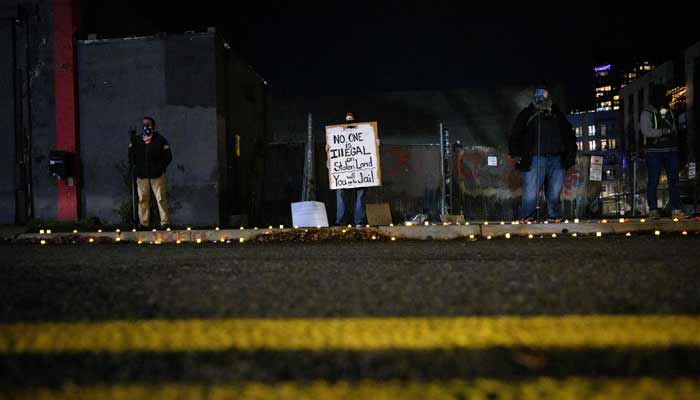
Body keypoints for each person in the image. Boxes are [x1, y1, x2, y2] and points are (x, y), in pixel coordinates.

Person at [508, 84, 577, 222]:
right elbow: (515, 133)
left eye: (543, 96)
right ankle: (527, 216)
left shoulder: (557, 115)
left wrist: (570, 156)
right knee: (531, 191)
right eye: (538, 96)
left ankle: (553, 215)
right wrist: (517, 154)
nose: (541, 99)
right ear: (535, 98)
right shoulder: (528, 114)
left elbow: (569, 134)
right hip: (535, 158)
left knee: (554, 191)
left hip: (557, 158)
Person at [640, 84, 689, 219]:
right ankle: (654, 210)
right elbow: (646, 131)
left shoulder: (668, 111)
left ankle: (676, 209)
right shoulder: (647, 112)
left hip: (669, 150)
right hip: (655, 151)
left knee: (673, 181)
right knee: (654, 181)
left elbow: (674, 130)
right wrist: (665, 132)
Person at [327, 112, 372, 226]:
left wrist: (375, 145)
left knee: (360, 196)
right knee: (341, 196)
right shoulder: (336, 137)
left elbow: (370, 153)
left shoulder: (365, 136)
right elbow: (330, 164)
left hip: (360, 172)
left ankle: (359, 222)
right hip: (343, 173)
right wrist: (330, 152)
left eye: (351, 120)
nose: (349, 123)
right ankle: (341, 222)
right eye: (347, 121)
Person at [128, 116, 172, 229]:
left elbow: (168, 156)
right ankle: (143, 223)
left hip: (156, 175)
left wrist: (160, 168)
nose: (146, 127)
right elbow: (131, 157)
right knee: (143, 199)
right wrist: (137, 168)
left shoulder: (160, 140)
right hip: (142, 175)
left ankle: (165, 222)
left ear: (153, 126)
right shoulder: (137, 140)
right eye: (144, 124)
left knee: (161, 198)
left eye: (148, 124)